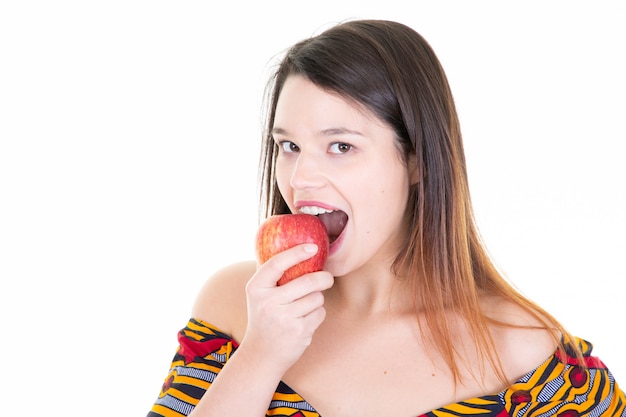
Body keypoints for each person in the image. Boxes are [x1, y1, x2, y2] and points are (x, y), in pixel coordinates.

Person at [147, 19, 625, 417]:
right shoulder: (234, 308)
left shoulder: (524, 354)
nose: (301, 178)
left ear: (416, 161)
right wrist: (258, 357)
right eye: (289, 146)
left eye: (341, 146)